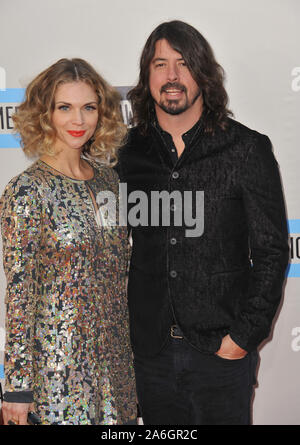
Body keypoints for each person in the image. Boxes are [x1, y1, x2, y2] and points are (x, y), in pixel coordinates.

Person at [116, 20, 289, 425]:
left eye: (183, 63)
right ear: (147, 76)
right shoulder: (126, 153)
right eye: (160, 64)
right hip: (149, 356)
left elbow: (271, 251)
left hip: (221, 357)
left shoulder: (246, 149)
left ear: (203, 74)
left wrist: (242, 338)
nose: (172, 76)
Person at [0, 58, 136, 425]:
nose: (78, 121)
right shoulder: (27, 191)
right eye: (65, 107)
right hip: (56, 379)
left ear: (101, 112)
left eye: (88, 107)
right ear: (45, 114)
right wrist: (16, 389)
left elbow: (119, 277)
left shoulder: (109, 181)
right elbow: (19, 296)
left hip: (116, 375)